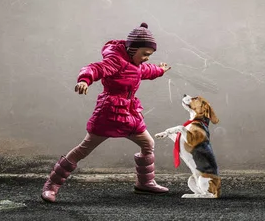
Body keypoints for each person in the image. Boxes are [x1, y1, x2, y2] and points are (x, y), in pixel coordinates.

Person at [41, 23, 171, 203]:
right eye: (145, 54)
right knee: (83, 150)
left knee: (148, 143)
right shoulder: (116, 61)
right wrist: (85, 80)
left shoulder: (136, 64)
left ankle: (145, 183)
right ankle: (51, 186)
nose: (147, 59)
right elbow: (95, 68)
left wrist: (160, 70)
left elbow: (146, 71)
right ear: (132, 49)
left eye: (149, 55)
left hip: (130, 114)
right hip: (109, 113)